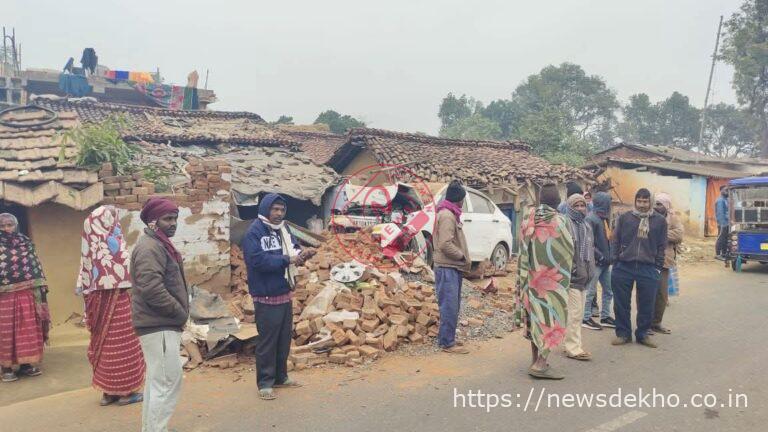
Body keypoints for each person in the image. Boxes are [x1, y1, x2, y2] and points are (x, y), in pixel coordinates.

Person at [243, 193, 316, 400]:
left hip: (284, 292)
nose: (278, 213)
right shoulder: (254, 232)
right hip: (265, 294)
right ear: (266, 209)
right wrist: (289, 259)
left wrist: (302, 255)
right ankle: (265, 383)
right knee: (268, 341)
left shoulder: (284, 229)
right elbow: (259, 261)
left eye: (281, 210)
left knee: (283, 339)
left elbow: (293, 250)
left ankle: (280, 377)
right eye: (274, 209)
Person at [77, 206, 145, 406]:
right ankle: (126, 393)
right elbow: (125, 273)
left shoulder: (88, 246)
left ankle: (108, 393)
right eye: (113, 219)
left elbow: (85, 279)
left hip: (95, 304)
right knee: (124, 345)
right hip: (118, 300)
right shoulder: (113, 240)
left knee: (103, 344)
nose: (116, 224)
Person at [131, 197, 189, 432]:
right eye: (167, 219)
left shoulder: (159, 244)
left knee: (158, 384)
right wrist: (178, 312)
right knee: (166, 383)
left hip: (160, 324)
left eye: (175, 218)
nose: (173, 223)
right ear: (153, 222)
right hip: (160, 324)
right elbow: (151, 288)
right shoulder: (150, 247)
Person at [517, 184, 574, 379]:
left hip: (530, 281)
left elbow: (522, 251)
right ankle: (541, 364)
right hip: (552, 283)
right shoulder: (561, 222)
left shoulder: (527, 220)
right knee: (551, 320)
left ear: (540, 201)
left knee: (535, 320)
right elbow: (567, 253)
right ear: (558, 202)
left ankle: (535, 360)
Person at [610, 189, 667, 348]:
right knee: (621, 303)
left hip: (648, 267)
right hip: (624, 266)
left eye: (645, 201)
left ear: (650, 202)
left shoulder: (659, 221)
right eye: (639, 201)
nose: (642, 205)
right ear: (635, 201)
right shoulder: (625, 218)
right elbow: (615, 240)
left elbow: (662, 246)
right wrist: (615, 261)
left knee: (647, 304)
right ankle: (623, 334)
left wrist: (657, 267)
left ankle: (643, 334)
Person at [0, 213, 50, 383]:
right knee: (6, 331)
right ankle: (6, 367)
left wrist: (41, 289)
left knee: (26, 328)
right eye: (2, 226)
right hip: (3, 299)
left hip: (27, 295)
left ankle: (26, 364)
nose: (7, 229)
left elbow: (35, 267)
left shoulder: (25, 243)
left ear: (16, 225)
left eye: (10, 225)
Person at [433, 180, 471, 355]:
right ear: (458, 200)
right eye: (462, 200)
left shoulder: (448, 213)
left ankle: (447, 339)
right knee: (449, 306)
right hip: (447, 267)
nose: (462, 203)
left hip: (450, 267)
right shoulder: (448, 216)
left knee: (451, 305)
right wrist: (461, 256)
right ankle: (447, 343)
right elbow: (445, 244)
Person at [563, 194, 594, 361]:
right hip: (572, 278)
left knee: (579, 314)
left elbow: (589, 251)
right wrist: (572, 270)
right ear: (570, 207)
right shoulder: (566, 225)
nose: (581, 209)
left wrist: (591, 271)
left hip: (585, 277)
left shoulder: (586, 226)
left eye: (583, 205)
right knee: (575, 314)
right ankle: (572, 348)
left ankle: (573, 344)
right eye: (577, 206)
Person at [650, 193, 683, 335]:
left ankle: (656, 323)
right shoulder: (648, 216)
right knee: (646, 294)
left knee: (662, 295)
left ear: (666, 205)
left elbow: (679, 235)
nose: (657, 207)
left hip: (664, 261)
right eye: (655, 204)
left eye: (660, 204)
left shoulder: (673, 218)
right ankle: (645, 324)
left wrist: (661, 233)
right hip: (649, 260)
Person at [583, 192, 615, 330]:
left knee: (608, 290)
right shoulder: (591, 219)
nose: (610, 206)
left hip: (605, 263)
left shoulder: (604, 219)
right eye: (609, 203)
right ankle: (585, 317)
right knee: (590, 291)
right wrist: (600, 256)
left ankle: (605, 316)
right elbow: (589, 243)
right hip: (596, 262)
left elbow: (607, 239)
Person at [715, 186, 729, 259]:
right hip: (723, 223)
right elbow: (720, 213)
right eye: (726, 190)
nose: (727, 191)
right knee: (721, 238)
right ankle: (718, 254)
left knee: (725, 238)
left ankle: (724, 254)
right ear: (721, 191)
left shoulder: (726, 200)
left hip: (727, 223)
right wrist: (723, 224)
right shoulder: (720, 200)